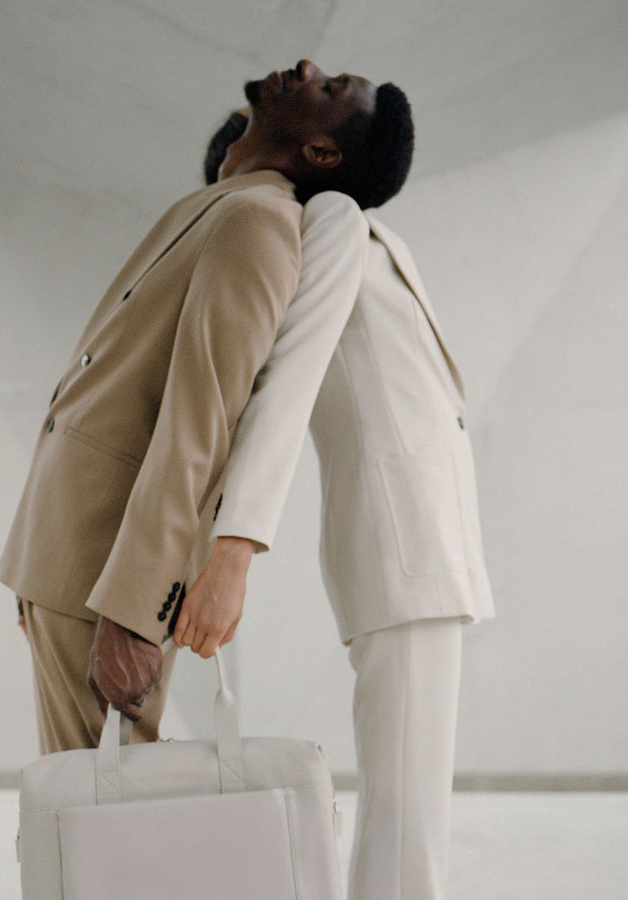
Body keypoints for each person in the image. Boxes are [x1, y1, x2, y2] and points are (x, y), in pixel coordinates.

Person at [0, 59, 407, 753]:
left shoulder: (261, 225)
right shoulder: (225, 209)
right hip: (67, 555)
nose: (308, 66)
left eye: (330, 89)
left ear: (320, 153)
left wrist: (133, 613)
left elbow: (201, 425)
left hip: (103, 575)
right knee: (74, 823)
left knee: (99, 828)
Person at [174, 109, 495, 900]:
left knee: (406, 812)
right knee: (406, 823)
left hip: (423, 549)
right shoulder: (333, 216)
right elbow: (289, 381)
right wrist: (234, 548)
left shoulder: (361, 227)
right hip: (406, 548)